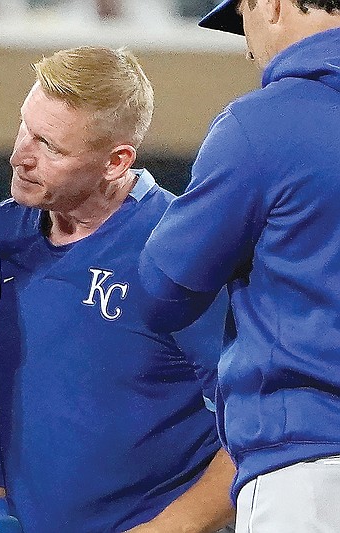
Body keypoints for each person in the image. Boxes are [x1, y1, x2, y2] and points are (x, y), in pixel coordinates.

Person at [0, 46, 236, 533]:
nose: (19, 157)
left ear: (116, 162)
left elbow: (254, 423)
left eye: (49, 146)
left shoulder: (185, 252)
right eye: (24, 128)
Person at [138, 0, 340, 530]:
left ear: (270, 5)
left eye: (242, 20)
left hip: (310, 467)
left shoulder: (265, 123)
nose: (248, 44)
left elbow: (163, 292)